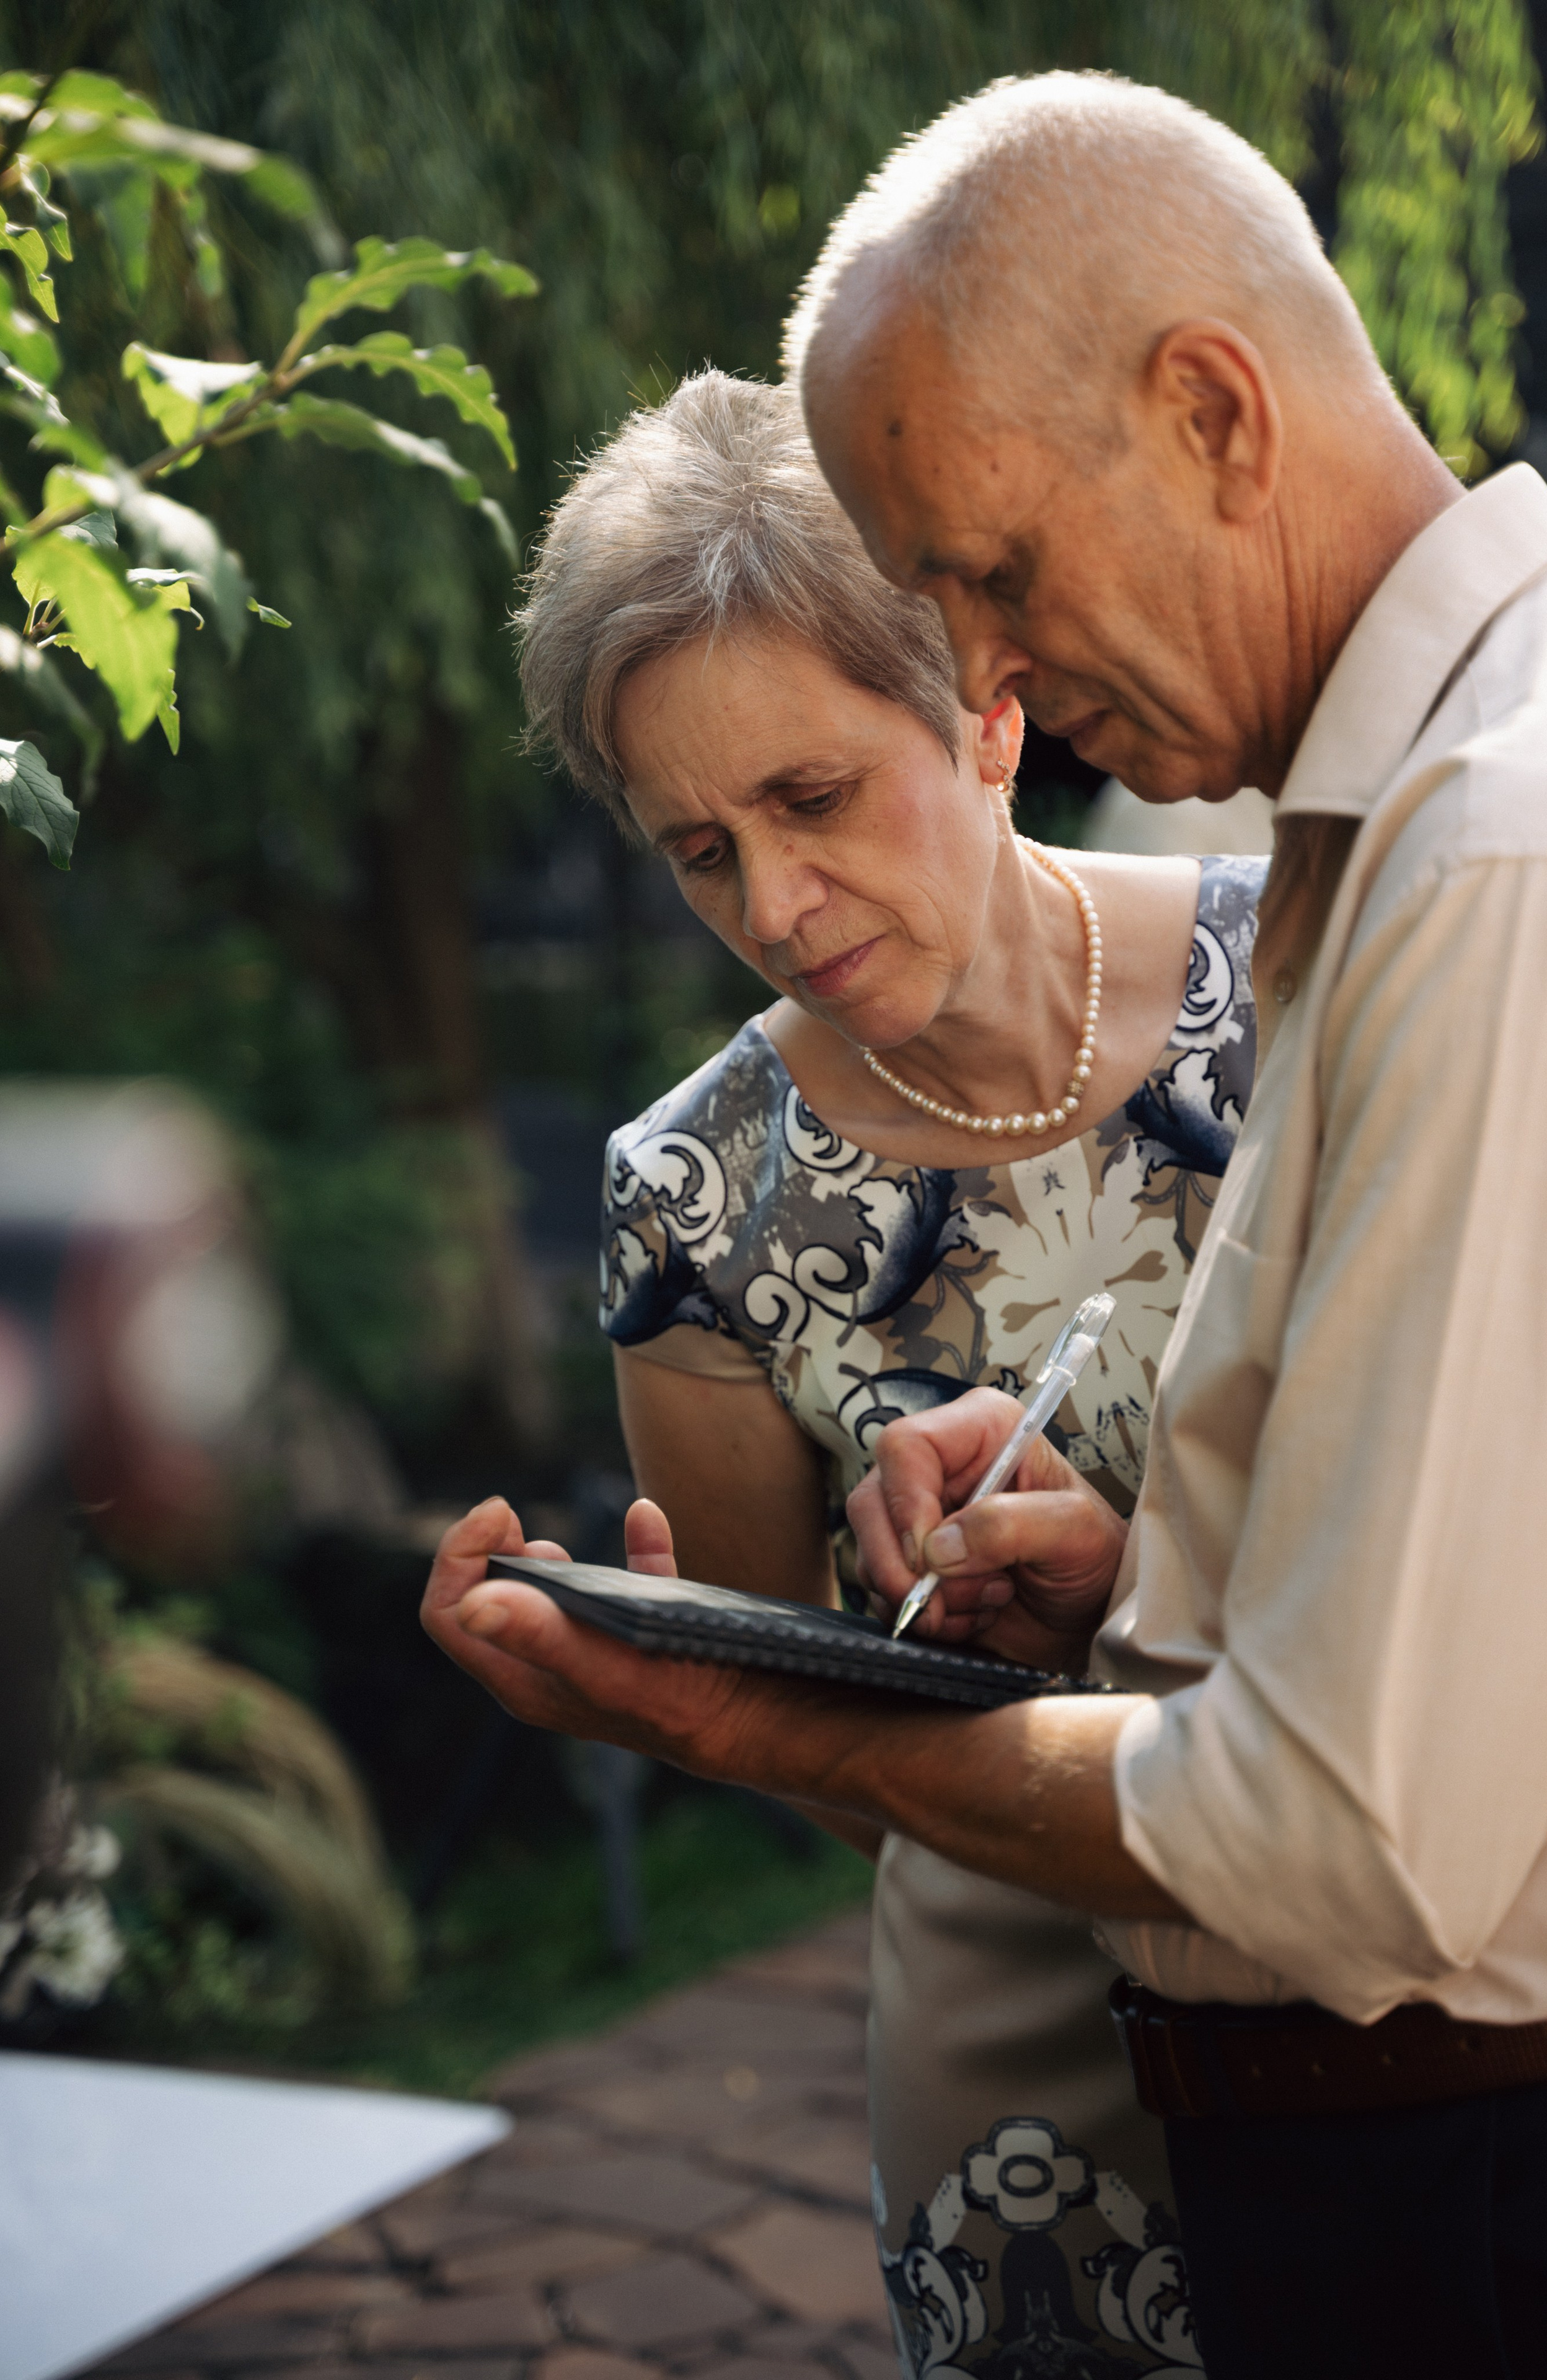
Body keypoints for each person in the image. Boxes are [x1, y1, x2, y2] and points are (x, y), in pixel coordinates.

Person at [425, 71, 1547, 2376]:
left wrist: (783, 1731)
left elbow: (1357, 1823)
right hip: (1137, 2095)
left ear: (1214, 416)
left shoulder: (1456, 876)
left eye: (996, 581)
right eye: (697, 848)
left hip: (1433, 2135)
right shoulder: (1408, 844)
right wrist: (1111, 1598)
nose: (994, 668)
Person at [515, 364, 1263, 2369]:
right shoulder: (688, 1201)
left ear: (989, 710)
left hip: (1431, 2002)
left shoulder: (1317, 981)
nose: (770, 910)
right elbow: (821, 1751)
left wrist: (1128, 1591)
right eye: (698, 852)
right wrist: (778, 1680)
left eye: (812, 800)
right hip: (1027, 2074)